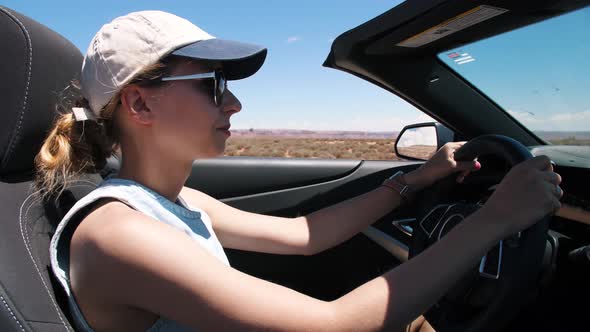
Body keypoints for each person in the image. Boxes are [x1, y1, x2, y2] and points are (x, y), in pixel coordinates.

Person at [35, 10, 563, 332]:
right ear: (140, 105)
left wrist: (414, 182)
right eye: (213, 84)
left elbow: (304, 236)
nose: (234, 104)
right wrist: (493, 220)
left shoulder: (178, 203)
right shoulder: (118, 234)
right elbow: (334, 327)